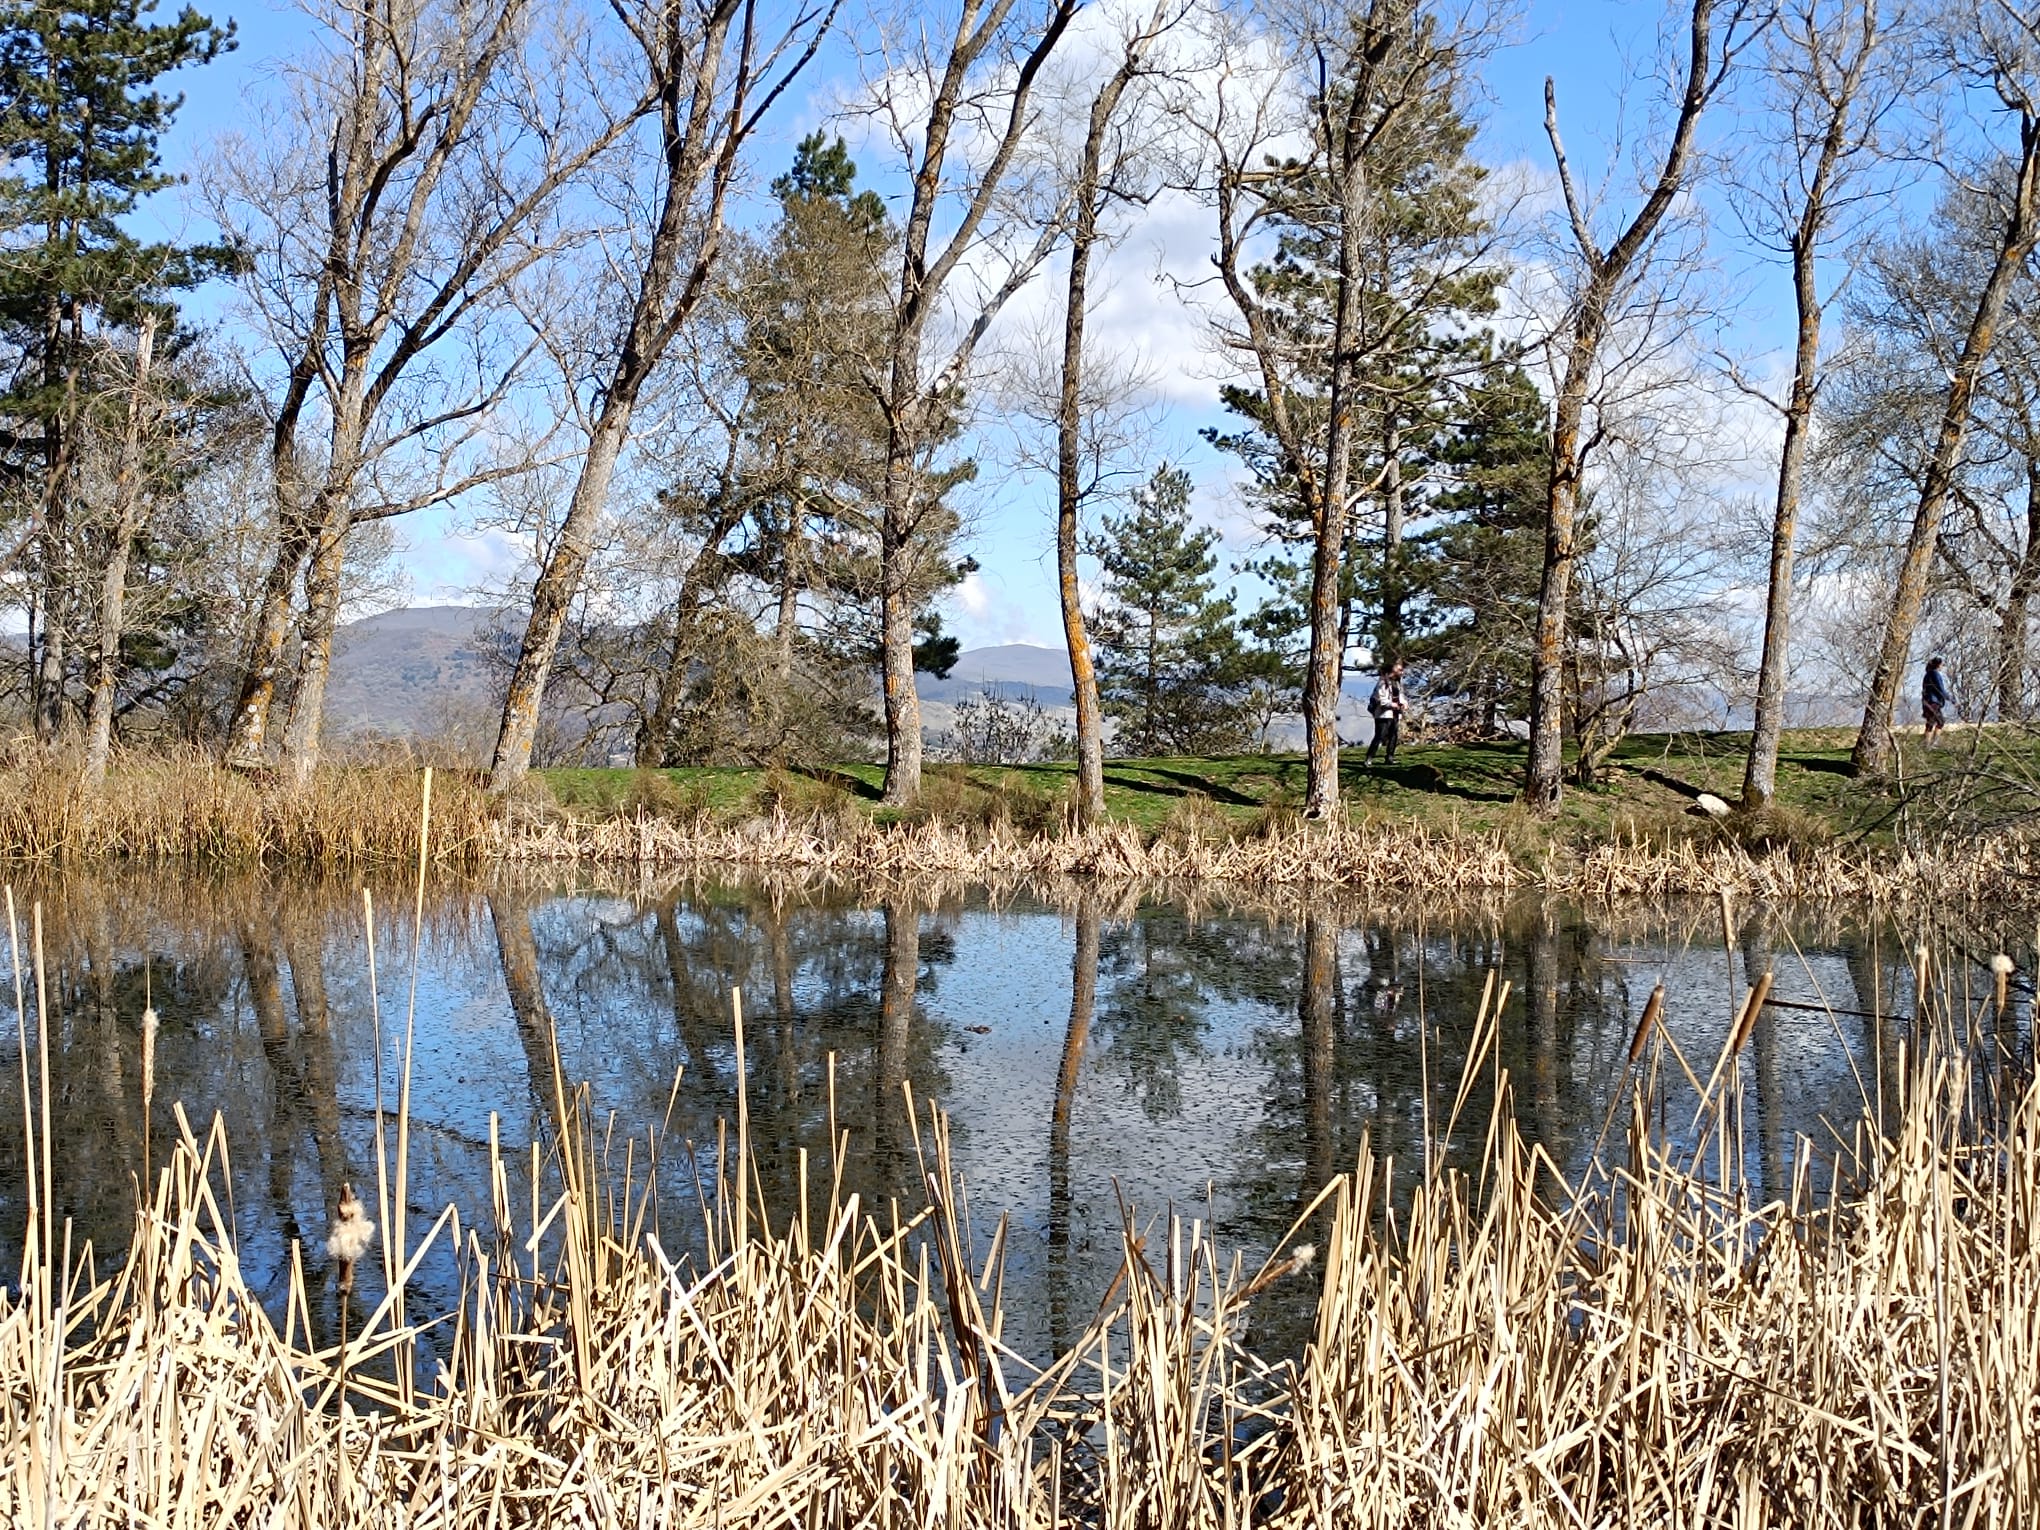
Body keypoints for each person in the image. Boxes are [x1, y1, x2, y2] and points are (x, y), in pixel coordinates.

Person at [1365, 660, 1406, 765]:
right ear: (1393, 669)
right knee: (1380, 736)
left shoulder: (1397, 682)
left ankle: (1390, 757)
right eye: (1400, 669)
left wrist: (1403, 703)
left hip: (1395, 714)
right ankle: (1369, 757)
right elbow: (1381, 699)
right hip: (1384, 714)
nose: (1402, 672)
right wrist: (1392, 705)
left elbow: (1400, 696)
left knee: (1393, 735)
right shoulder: (1383, 682)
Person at [1921, 657, 1952, 748]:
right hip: (1933, 702)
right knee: (1940, 722)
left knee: (1931, 722)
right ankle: (1933, 743)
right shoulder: (1935, 674)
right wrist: (1951, 699)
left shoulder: (1927, 675)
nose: (1942, 667)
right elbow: (1940, 689)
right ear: (1938, 665)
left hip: (1927, 701)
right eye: (1942, 665)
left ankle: (1927, 744)